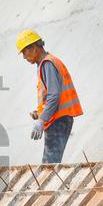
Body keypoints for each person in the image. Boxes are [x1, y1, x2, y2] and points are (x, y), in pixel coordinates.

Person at [15, 29, 83, 164]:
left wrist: (41, 121)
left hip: (58, 121)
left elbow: (54, 96)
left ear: (34, 48)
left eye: (24, 52)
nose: (24, 57)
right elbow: (52, 95)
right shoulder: (48, 62)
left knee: (49, 165)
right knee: (51, 164)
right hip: (59, 119)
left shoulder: (47, 63)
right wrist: (39, 113)